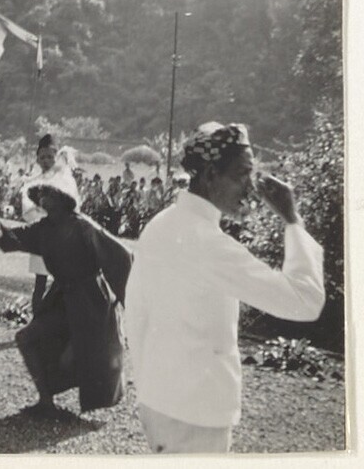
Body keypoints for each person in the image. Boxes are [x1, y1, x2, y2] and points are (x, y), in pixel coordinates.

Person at [126, 122, 325, 454]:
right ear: (210, 175)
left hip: (158, 402)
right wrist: (292, 220)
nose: (251, 188)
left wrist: (148, 385)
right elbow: (305, 301)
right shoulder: (209, 244)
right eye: (242, 174)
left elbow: (135, 316)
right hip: (197, 414)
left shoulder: (161, 225)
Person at [0, 169, 132, 418]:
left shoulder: (83, 226)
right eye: (40, 192)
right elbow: (7, 239)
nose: (42, 197)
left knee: (82, 355)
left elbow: (122, 256)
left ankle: (72, 400)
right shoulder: (43, 230)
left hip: (91, 304)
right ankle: (46, 402)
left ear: (63, 196)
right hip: (63, 299)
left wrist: (123, 300)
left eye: (48, 192)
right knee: (27, 338)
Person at [19, 134, 80, 311]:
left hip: (62, 236)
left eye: (50, 157)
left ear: (57, 157)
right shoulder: (34, 182)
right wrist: (42, 213)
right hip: (43, 236)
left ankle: (58, 319)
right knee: (40, 281)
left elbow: (73, 206)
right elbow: (27, 210)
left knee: (62, 281)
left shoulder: (66, 180)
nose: (46, 161)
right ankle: (37, 318)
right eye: (42, 157)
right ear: (37, 159)